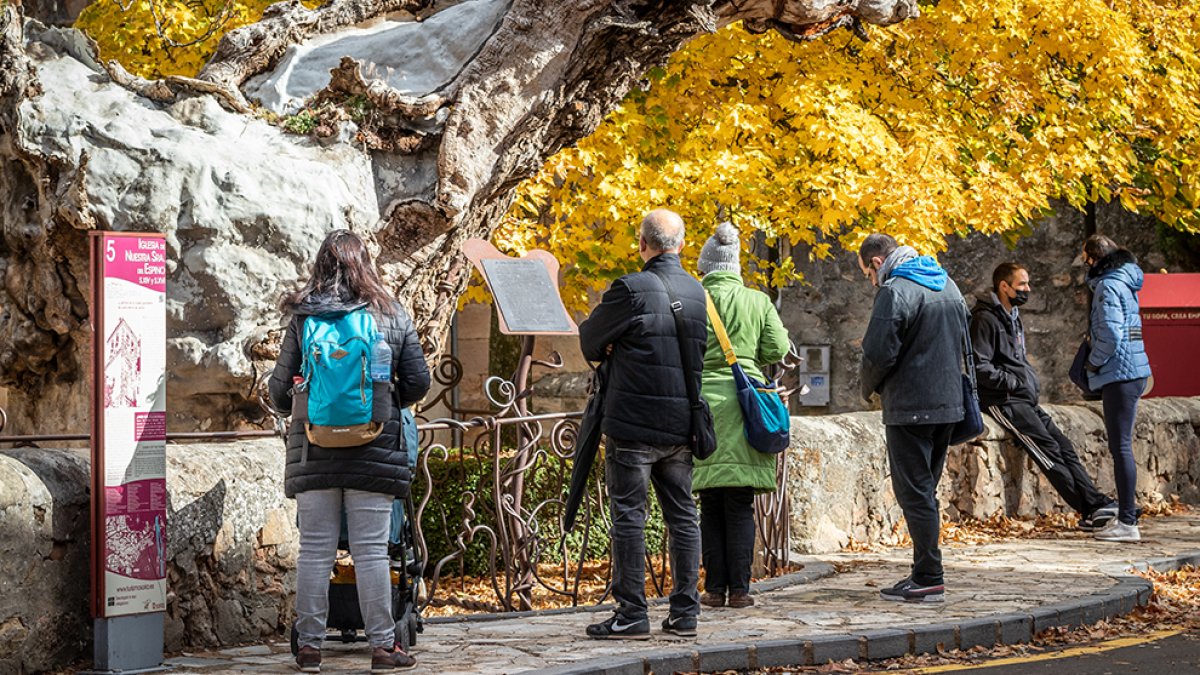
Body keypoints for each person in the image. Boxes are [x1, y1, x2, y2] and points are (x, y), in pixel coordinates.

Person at [269, 229, 431, 672]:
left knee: (316, 551)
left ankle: (310, 648)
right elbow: (418, 383)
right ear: (365, 265)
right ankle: (383, 648)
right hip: (373, 446)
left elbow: (280, 394)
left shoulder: (304, 318)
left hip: (315, 450)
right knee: (372, 551)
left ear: (321, 265)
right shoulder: (390, 313)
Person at [578, 209, 706, 639]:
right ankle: (685, 613)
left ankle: (632, 614)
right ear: (682, 245)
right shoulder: (695, 292)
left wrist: (617, 345)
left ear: (641, 244)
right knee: (683, 515)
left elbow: (590, 341)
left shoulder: (629, 289)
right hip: (681, 425)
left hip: (633, 424)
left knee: (630, 517)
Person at [859, 233, 967, 603]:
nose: (872, 283)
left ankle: (928, 576)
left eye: (868, 276)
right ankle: (924, 572)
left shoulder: (896, 290)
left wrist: (867, 389)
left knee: (914, 493)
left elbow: (877, 353)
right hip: (949, 404)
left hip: (910, 407)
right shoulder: (946, 283)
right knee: (927, 491)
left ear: (876, 262)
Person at [971, 263, 1117, 531]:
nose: (1028, 290)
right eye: (1022, 285)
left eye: (1028, 284)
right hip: (1003, 400)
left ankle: (1097, 502)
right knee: (1048, 452)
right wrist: (1013, 382)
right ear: (1004, 286)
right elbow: (980, 367)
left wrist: (1025, 382)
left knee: (1063, 446)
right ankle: (1088, 509)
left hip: (1024, 398)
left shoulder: (1013, 315)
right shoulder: (985, 319)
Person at [692, 222, 790, 610]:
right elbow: (778, 347)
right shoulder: (758, 301)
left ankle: (714, 589)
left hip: (702, 409)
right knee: (740, 505)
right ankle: (742, 589)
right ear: (734, 266)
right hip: (747, 405)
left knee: (709, 504)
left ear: (705, 266)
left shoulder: (692, 299)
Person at [1081, 235, 1152, 543]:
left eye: (1085, 259)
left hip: (1118, 373)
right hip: (1133, 370)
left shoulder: (1108, 285)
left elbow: (1110, 332)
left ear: (1094, 259)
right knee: (1121, 446)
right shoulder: (1125, 281)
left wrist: (1093, 363)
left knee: (1120, 447)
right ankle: (1126, 518)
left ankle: (1126, 522)